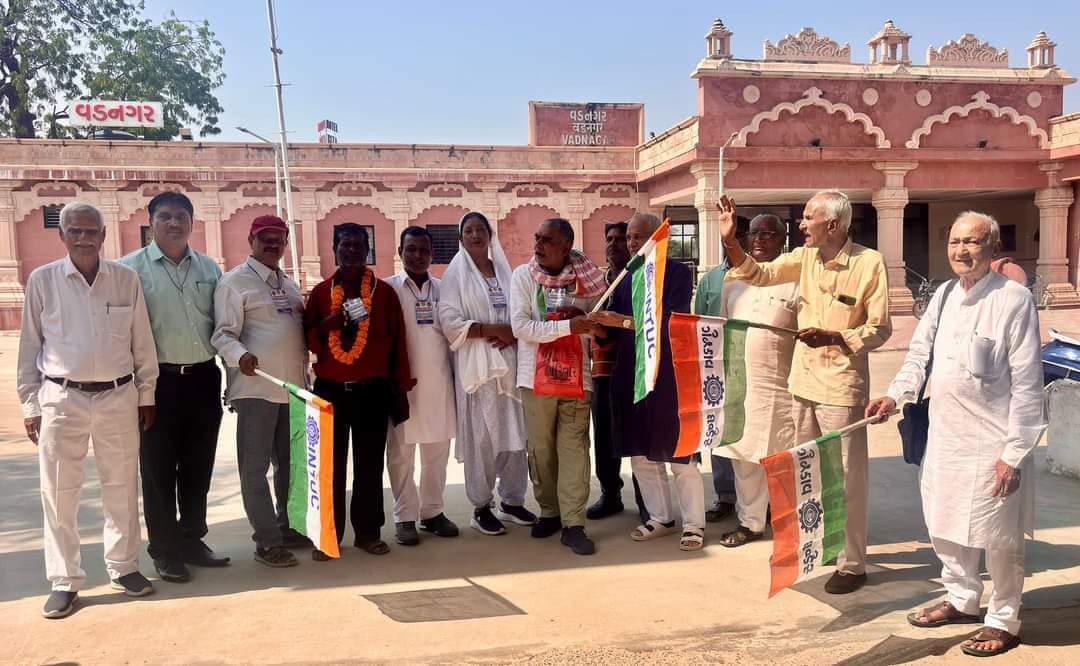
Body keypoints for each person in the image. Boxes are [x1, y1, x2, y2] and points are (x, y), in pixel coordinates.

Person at [867, 211, 1044, 658]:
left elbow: (1027, 382)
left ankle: (1003, 619)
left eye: (972, 242)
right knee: (945, 524)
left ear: (993, 249)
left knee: (998, 536)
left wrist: (1015, 453)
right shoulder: (944, 296)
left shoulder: (1014, 299)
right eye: (955, 242)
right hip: (945, 435)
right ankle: (963, 598)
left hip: (994, 439)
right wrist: (893, 395)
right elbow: (918, 356)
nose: (962, 251)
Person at [719, 190, 891, 594]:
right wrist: (730, 240)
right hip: (802, 384)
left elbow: (880, 328)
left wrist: (835, 336)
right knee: (808, 471)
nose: (801, 224)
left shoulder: (869, 264)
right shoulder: (805, 258)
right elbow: (758, 274)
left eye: (808, 218)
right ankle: (818, 544)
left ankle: (852, 564)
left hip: (840, 387)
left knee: (847, 476)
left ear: (833, 224)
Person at [17, 202, 159, 618]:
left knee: (121, 487)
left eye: (91, 231)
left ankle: (124, 566)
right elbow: (29, 347)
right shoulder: (43, 281)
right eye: (74, 231)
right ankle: (64, 580)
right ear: (61, 236)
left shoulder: (124, 280)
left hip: (118, 397)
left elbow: (141, 342)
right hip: (62, 400)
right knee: (60, 493)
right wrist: (30, 403)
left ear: (103, 235)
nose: (83, 238)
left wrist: (146, 394)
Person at [120, 191, 227, 584]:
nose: (173, 223)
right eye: (164, 216)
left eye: (181, 216)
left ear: (192, 222)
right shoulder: (129, 271)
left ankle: (192, 539)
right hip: (157, 384)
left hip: (203, 377)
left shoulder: (210, 269)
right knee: (158, 469)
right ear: (151, 223)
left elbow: (223, 326)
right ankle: (164, 550)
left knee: (199, 467)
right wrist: (138, 391)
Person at [591, 212, 706, 552]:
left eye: (639, 237)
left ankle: (694, 524)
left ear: (658, 237)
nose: (632, 244)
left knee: (679, 455)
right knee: (641, 454)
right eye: (629, 238)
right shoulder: (627, 279)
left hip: (668, 376)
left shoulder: (677, 273)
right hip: (631, 374)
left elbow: (671, 322)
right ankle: (660, 517)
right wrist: (592, 322)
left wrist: (621, 321)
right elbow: (613, 327)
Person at [304, 223, 414, 559]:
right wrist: (325, 327)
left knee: (369, 466)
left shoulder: (384, 294)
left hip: (373, 392)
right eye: (344, 244)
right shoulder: (322, 293)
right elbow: (306, 339)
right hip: (331, 392)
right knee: (330, 467)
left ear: (367, 250)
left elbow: (398, 344)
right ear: (335, 249)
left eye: (357, 245)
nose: (351, 250)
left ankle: (368, 533)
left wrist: (400, 389)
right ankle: (328, 536)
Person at [212, 215, 309, 568]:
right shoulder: (234, 283)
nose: (273, 244)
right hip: (256, 389)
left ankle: (286, 527)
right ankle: (267, 542)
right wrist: (242, 356)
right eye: (265, 238)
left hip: (291, 388)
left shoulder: (290, 284)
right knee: (254, 470)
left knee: (289, 466)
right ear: (251, 241)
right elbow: (222, 334)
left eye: (279, 239)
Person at [509, 218, 605, 555]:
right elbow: (521, 326)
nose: (538, 245)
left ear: (566, 246)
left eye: (547, 240)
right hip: (534, 379)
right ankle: (549, 511)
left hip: (578, 377)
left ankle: (574, 523)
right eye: (537, 237)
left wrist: (583, 322)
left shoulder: (588, 277)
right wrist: (569, 325)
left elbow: (598, 324)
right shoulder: (523, 276)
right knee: (541, 450)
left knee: (574, 449)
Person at [438, 212, 536, 536]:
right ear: (461, 238)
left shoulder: (504, 272)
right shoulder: (455, 274)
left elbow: (523, 310)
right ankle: (481, 506)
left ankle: (512, 500)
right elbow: (449, 320)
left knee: (514, 434)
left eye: (481, 229)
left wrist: (512, 332)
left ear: (490, 234)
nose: (476, 235)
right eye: (469, 230)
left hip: (509, 362)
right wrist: (490, 329)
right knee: (482, 437)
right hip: (478, 368)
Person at [711, 214, 798, 547]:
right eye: (754, 233)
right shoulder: (733, 279)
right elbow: (721, 327)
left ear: (783, 239)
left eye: (769, 234)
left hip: (783, 385)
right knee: (743, 456)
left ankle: (787, 520)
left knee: (781, 456)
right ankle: (750, 523)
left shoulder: (796, 278)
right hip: (740, 381)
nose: (760, 239)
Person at [385, 227, 459, 546]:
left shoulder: (445, 290)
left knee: (437, 453)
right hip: (401, 386)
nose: (417, 256)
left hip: (439, 383)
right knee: (401, 454)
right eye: (411, 249)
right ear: (400, 251)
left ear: (431, 254)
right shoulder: (387, 290)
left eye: (424, 250)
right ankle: (404, 516)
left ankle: (432, 512)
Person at [585, 221, 647, 522]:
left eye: (622, 239)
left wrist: (616, 321)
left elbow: (649, 323)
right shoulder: (596, 280)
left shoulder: (642, 278)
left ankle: (646, 499)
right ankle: (610, 494)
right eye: (609, 239)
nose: (614, 244)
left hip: (635, 368)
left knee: (636, 435)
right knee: (604, 438)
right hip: (601, 369)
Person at [693, 217, 751, 523]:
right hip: (717, 367)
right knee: (720, 432)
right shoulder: (710, 280)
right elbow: (699, 321)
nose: (732, 239)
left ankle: (758, 500)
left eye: (740, 234)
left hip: (754, 367)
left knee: (753, 433)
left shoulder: (763, 276)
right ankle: (726, 495)